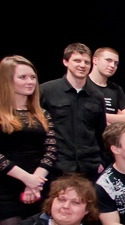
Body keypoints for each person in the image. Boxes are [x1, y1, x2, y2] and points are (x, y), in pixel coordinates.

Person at [0, 56, 56, 225]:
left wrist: (34, 182)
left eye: (32, 77)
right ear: (7, 80)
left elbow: (51, 150)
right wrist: (26, 179)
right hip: (5, 192)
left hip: (38, 189)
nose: (30, 82)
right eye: (23, 77)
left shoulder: (42, 114)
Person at [39, 43, 106, 180]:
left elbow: (101, 132)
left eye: (86, 62)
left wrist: (102, 161)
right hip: (57, 167)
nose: (82, 65)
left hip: (89, 168)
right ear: (65, 62)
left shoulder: (97, 96)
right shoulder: (46, 91)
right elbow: (38, 130)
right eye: (77, 60)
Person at [89, 47, 125, 124]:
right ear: (95, 60)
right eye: (108, 60)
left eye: (116, 63)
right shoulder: (82, 84)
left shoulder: (116, 89)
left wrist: (98, 115)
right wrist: (116, 118)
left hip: (111, 132)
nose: (112, 65)